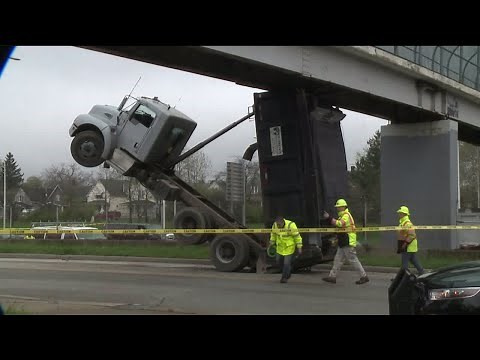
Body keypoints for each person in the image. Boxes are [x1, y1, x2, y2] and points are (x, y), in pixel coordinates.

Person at [322, 199, 369, 285]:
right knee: (338, 259)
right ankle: (332, 277)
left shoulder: (346, 216)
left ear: (343, 207)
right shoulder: (343, 215)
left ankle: (364, 276)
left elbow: (339, 224)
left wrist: (329, 218)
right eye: (337, 207)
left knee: (353, 260)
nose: (337, 209)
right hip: (343, 241)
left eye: (339, 207)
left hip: (348, 241)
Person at [270, 215, 303, 283]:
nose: (278, 226)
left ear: (282, 222)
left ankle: (284, 278)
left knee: (286, 263)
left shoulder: (291, 225)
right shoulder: (275, 225)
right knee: (278, 261)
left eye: (279, 225)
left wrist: (299, 247)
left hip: (289, 247)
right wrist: (271, 242)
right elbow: (273, 234)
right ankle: (288, 272)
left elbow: (297, 237)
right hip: (280, 247)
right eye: (277, 224)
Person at [396, 206, 424, 275]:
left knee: (404, 266)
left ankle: (402, 278)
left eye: (400, 213)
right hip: (409, 246)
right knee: (414, 261)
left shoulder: (407, 223)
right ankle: (422, 274)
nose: (399, 214)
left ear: (404, 214)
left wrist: (405, 244)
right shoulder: (403, 223)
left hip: (408, 246)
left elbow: (412, 235)